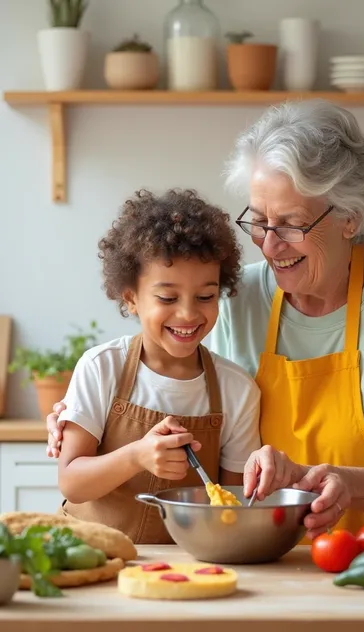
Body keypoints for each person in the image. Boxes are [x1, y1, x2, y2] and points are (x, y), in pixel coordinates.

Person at [47, 99, 364, 541]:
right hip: (283, 555)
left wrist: (347, 483)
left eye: (291, 225)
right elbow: (183, 400)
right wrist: (84, 418)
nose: (269, 247)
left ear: (351, 218)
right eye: (259, 221)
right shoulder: (236, 297)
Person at [51, 188, 261, 544]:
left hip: (181, 566)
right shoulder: (101, 368)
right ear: (131, 298)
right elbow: (72, 481)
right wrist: (136, 456)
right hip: (88, 551)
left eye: (206, 297)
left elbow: (232, 503)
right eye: (167, 297)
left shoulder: (237, 390)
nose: (189, 313)